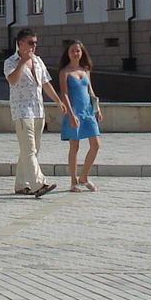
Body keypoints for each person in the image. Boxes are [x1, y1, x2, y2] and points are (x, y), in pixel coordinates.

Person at [2, 28, 72, 197]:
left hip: (38, 109)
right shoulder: (11, 61)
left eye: (35, 43)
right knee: (29, 149)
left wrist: (58, 100)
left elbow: (46, 83)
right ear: (20, 43)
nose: (34, 46)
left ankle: (21, 184)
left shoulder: (38, 61)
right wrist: (22, 62)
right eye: (31, 43)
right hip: (21, 111)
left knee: (31, 150)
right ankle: (38, 184)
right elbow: (13, 80)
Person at [56, 40, 103, 191]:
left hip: (88, 112)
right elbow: (64, 94)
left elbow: (91, 91)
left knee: (96, 144)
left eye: (78, 51)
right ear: (68, 54)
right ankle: (73, 181)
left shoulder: (85, 70)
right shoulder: (65, 72)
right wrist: (70, 114)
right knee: (74, 146)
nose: (76, 53)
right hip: (74, 112)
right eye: (72, 51)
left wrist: (97, 109)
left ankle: (84, 177)